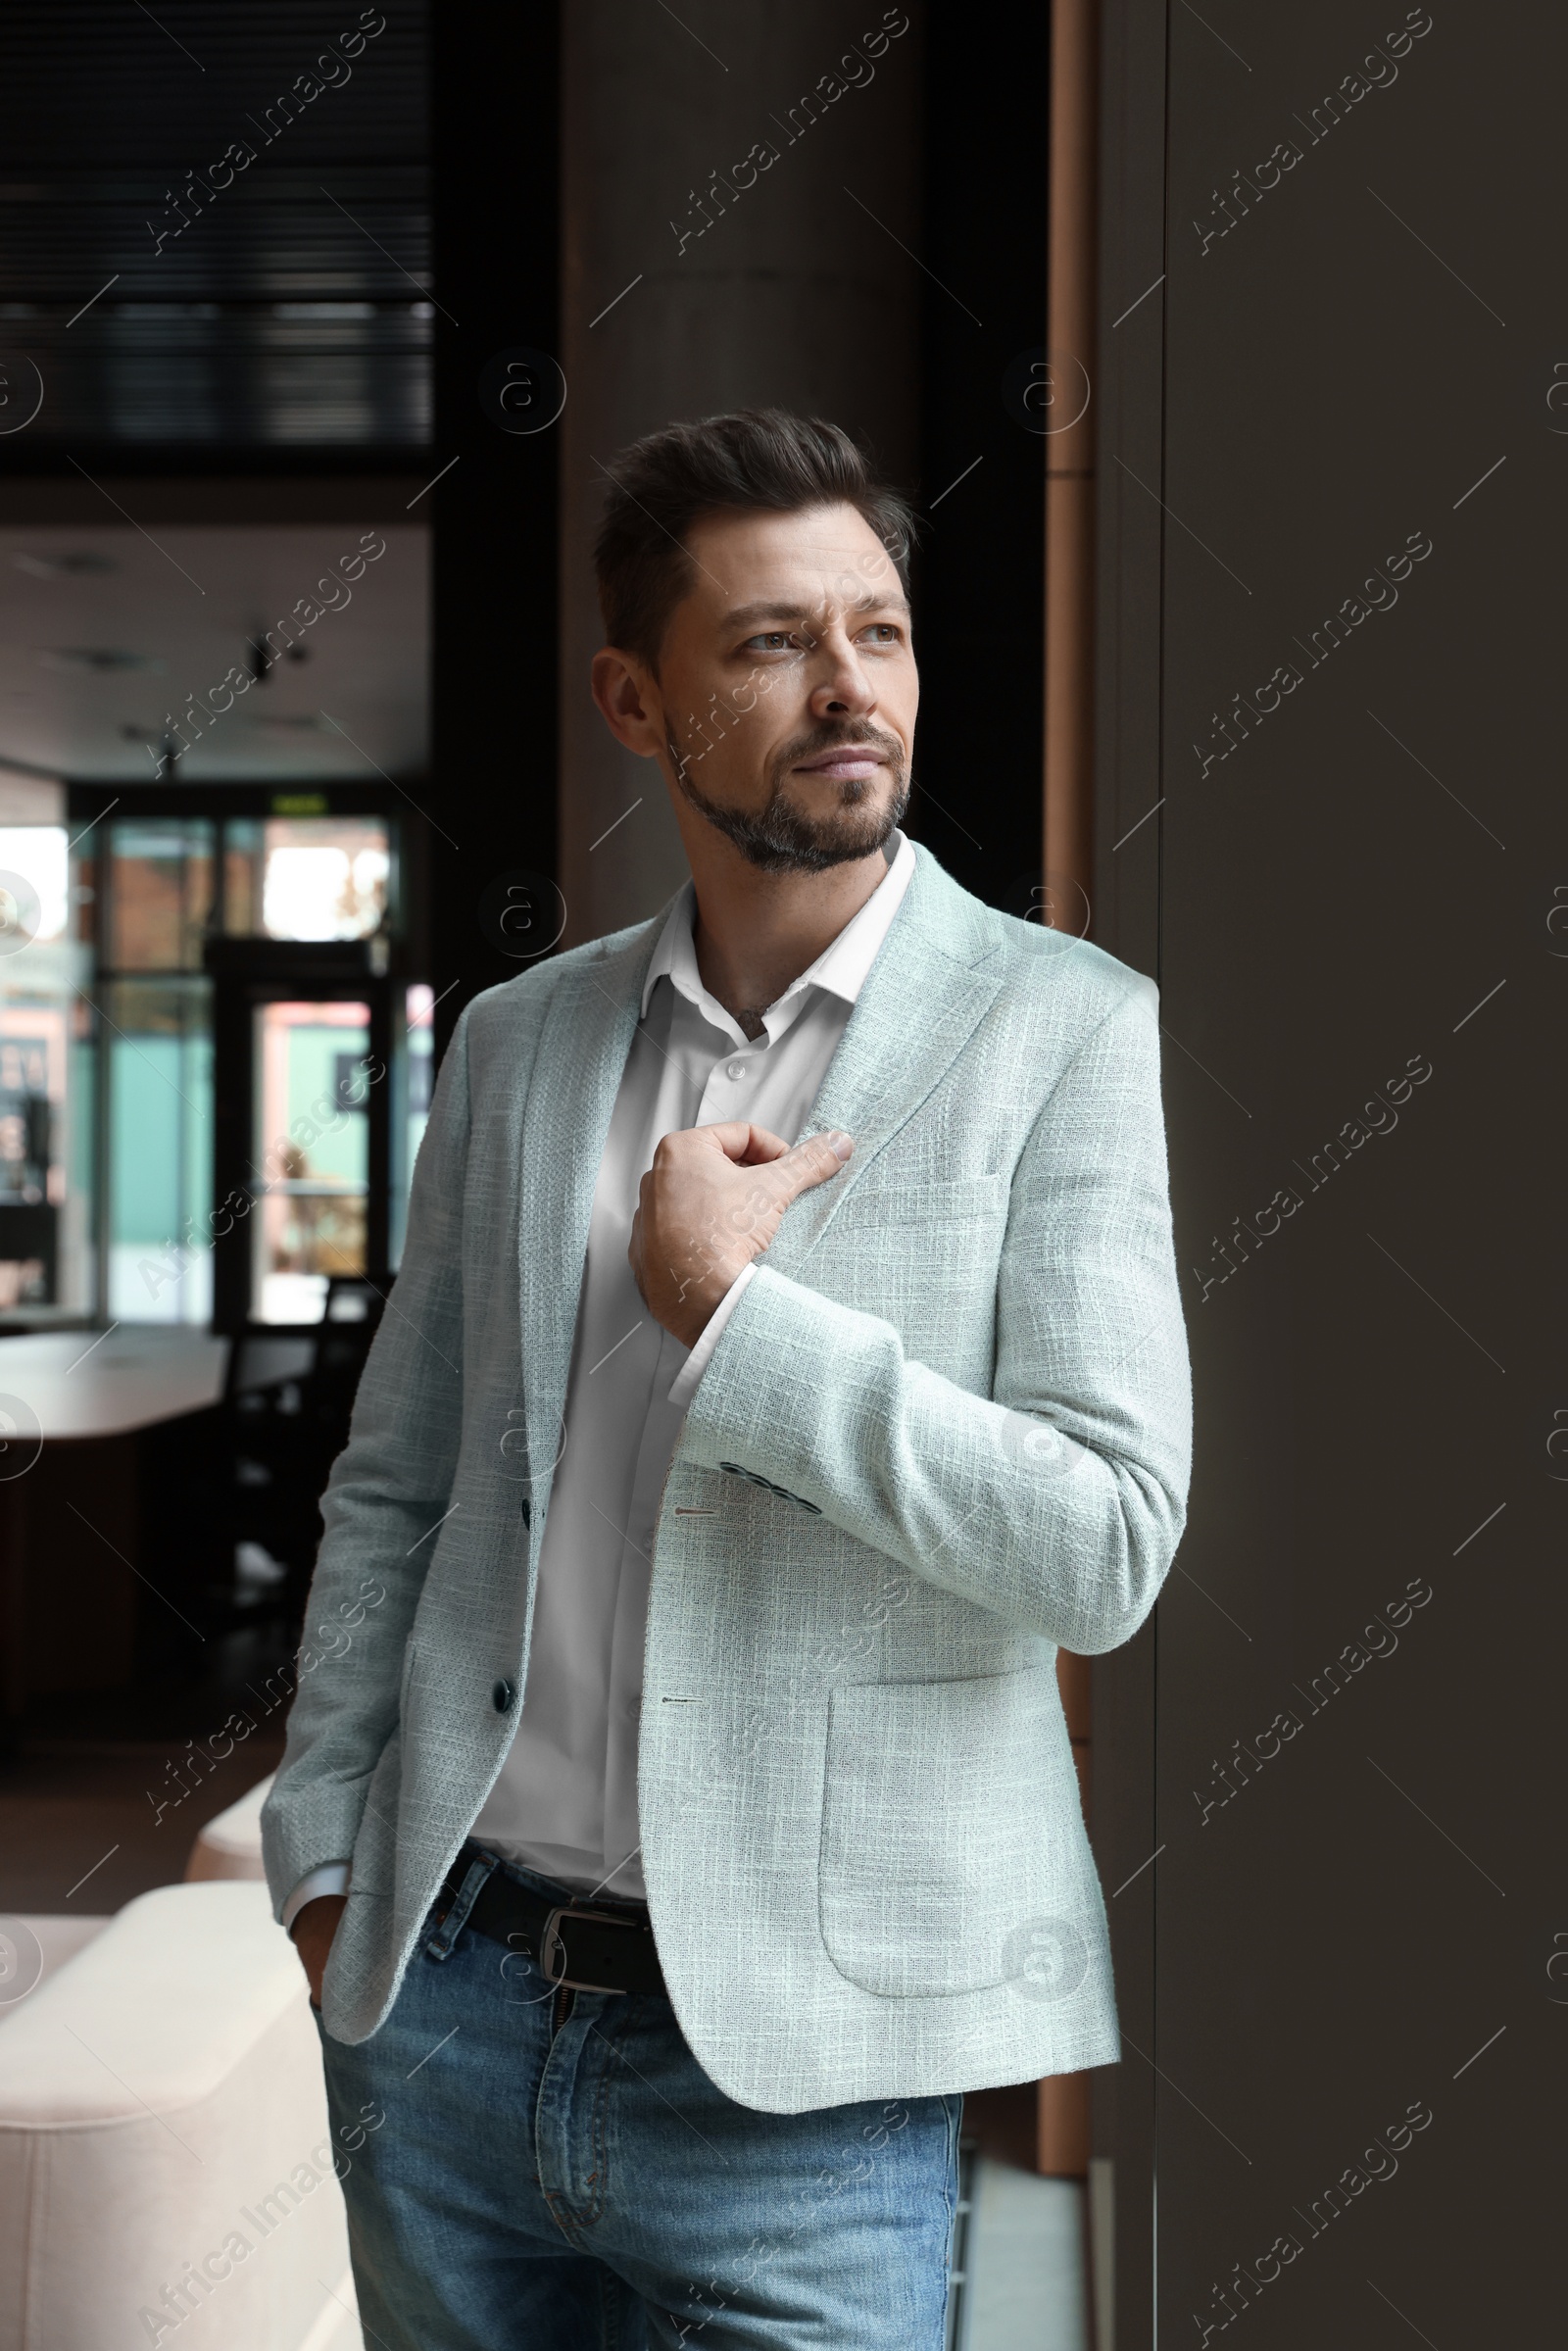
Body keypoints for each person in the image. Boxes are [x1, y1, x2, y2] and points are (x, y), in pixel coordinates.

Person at [261, 408, 1192, 2349]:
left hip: (805, 2075)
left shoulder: (1059, 1031)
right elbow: (398, 1486)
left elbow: (1101, 1542)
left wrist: (734, 1322)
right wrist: (327, 1861)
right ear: (634, 695)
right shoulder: (519, 1044)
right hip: (444, 2011)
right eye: (771, 640)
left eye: (879, 630)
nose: (848, 685)